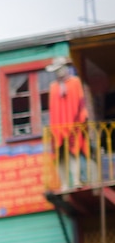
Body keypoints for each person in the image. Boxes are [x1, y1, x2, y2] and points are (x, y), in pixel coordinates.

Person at [47, 55, 90, 188]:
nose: (58, 72)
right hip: (58, 128)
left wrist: (82, 119)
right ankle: (64, 184)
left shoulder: (75, 82)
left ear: (65, 68)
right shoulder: (53, 87)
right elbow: (52, 108)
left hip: (74, 125)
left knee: (75, 152)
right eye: (56, 70)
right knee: (60, 157)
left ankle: (77, 180)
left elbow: (80, 102)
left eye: (60, 69)